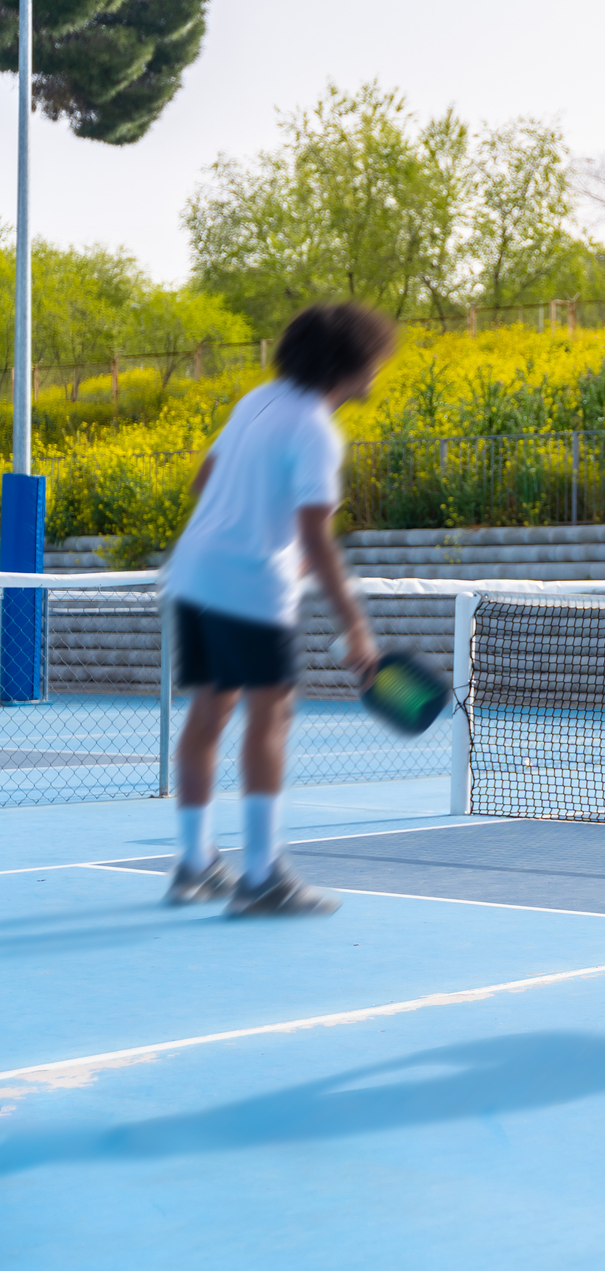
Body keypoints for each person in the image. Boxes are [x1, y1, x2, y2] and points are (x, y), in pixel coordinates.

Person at [159, 302, 397, 914]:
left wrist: (254, 534)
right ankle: (261, 876)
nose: (377, 371)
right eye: (373, 360)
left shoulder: (256, 402)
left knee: (210, 712)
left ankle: (193, 865)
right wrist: (356, 628)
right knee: (274, 713)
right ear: (347, 363)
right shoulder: (317, 428)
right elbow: (317, 538)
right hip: (247, 585)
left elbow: (204, 481)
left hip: (195, 572)